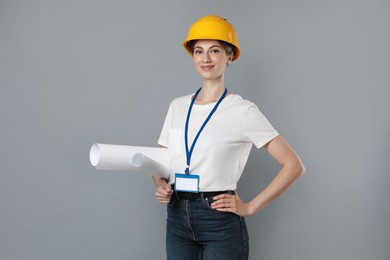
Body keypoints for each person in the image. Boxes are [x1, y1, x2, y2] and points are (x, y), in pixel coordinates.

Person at [152, 14, 305, 260]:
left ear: (230, 56)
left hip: (219, 219)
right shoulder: (177, 107)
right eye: (199, 51)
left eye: (215, 51)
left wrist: (251, 206)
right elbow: (159, 161)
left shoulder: (243, 111)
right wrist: (159, 185)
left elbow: (294, 166)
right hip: (177, 216)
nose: (206, 58)